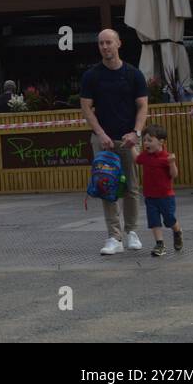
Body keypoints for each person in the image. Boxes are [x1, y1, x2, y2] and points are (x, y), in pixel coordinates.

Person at [80, 29, 148, 255]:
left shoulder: (134, 74)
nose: (105, 47)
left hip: (128, 139)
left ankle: (131, 232)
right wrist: (100, 133)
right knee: (106, 186)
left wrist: (136, 133)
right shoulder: (91, 75)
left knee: (131, 187)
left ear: (119, 43)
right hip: (103, 140)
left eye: (109, 42)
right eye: (101, 43)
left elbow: (142, 106)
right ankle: (114, 237)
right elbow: (86, 108)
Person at [136, 125, 182, 256]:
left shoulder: (166, 157)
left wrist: (172, 163)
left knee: (169, 220)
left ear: (161, 142)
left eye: (150, 140)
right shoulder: (145, 155)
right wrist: (132, 148)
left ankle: (177, 231)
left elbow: (174, 175)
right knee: (154, 221)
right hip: (150, 196)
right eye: (144, 140)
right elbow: (137, 159)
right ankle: (160, 244)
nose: (146, 143)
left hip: (166, 196)